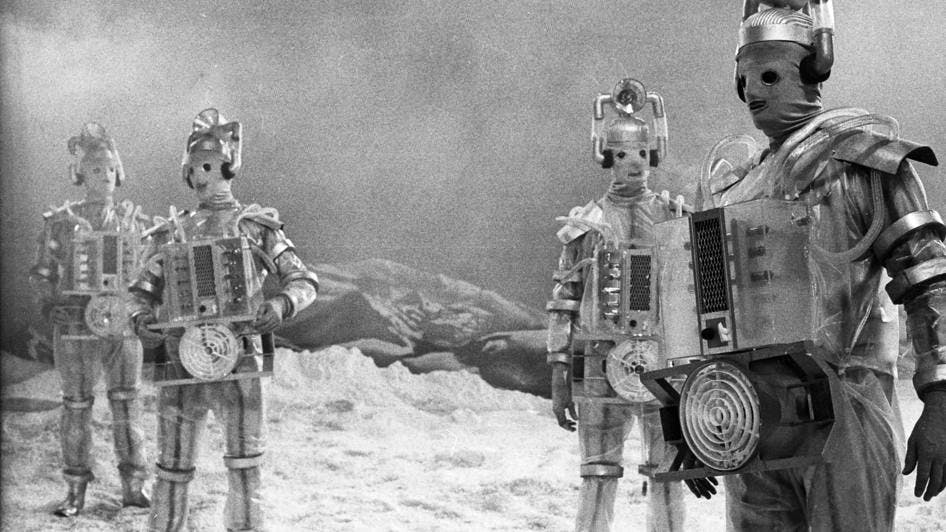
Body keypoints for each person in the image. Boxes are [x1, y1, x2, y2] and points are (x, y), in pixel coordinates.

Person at [698, 1, 946, 529]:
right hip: (753, 413)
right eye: (745, 81)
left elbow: (929, 277)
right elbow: (707, 312)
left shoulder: (861, 161)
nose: (754, 92)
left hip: (846, 403)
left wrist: (941, 399)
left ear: (812, 69)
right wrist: (694, 409)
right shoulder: (737, 187)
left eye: (769, 75)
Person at [129, 109, 319, 532]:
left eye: (209, 166)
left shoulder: (255, 227)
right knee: (171, 467)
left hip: (240, 358)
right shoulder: (171, 232)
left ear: (229, 166)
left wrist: (281, 305)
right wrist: (140, 318)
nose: (201, 176)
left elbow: (303, 279)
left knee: (246, 465)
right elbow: (140, 292)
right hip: (181, 360)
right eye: (195, 167)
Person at [546, 81, 691, 532]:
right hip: (599, 359)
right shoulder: (586, 223)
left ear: (654, 153)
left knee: (668, 470)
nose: (636, 164)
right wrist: (559, 372)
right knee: (597, 471)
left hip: (662, 359)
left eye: (643, 154)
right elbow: (564, 301)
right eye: (625, 154)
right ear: (607, 157)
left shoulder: (673, 216)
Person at [29, 123, 152, 517]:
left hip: (122, 325)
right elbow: (43, 272)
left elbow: (148, 276)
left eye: (111, 169)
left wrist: (143, 307)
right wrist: (50, 304)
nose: (106, 177)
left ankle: (135, 486)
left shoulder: (133, 221)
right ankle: (75, 490)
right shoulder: (61, 222)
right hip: (75, 325)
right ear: (81, 174)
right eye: (97, 169)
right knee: (76, 406)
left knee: (127, 404)